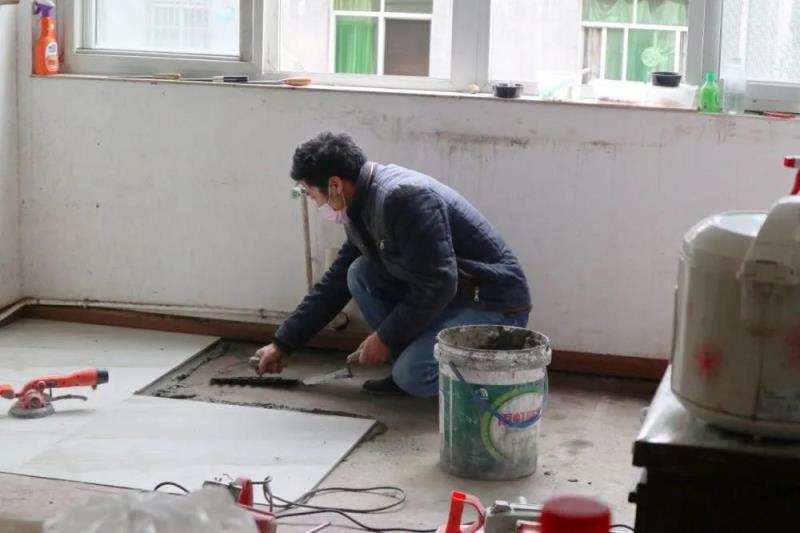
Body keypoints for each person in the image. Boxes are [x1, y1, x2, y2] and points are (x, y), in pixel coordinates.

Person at [254, 132, 531, 397]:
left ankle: (496, 381)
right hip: (455, 297)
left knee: (413, 376)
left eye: (312, 194)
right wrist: (283, 344)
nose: (316, 203)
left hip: (493, 304)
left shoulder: (403, 198)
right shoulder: (359, 206)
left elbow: (439, 283)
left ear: (335, 185)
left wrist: (386, 337)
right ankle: (408, 363)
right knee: (359, 272)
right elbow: (335, 283)